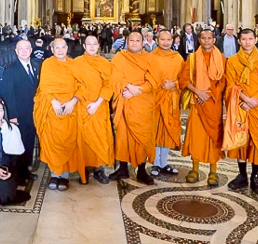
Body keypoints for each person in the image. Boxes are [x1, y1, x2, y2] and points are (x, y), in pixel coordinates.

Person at [225, 28, 258, 193]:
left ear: (256, 40)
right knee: (241, 141)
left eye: (250, 39)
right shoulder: (233, 60)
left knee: (257, 142)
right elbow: (231, 85)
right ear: (239, 41)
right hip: (240, 106)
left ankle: (255, 176)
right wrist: (246, 99)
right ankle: (242, 175)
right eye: (244, 39)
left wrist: (254, 100)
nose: (247, 42)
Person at [109, 31, 158, 184]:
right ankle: (122, 168)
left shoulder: (149, 59)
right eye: (132, 40)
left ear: (143, 42)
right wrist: (129, 87)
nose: (135, 43)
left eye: (138, 40)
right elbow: (114, 77)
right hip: (125, 99)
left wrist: (138, 90)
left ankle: (142, 170)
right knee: (123, 136)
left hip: (142, 102)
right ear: (126, 41)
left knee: (143, 136)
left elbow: (154, 80)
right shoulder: (119, 58)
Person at [35, 37, 83, 190]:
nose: (60, 50)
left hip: (70, 107)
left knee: (68, 140)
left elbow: (81, 86)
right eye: (57, 48)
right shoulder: (48, 64)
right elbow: (44, 86)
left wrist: (73, 101)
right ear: (52, 49)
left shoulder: (74, 65)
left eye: (63, 47)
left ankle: (65, 175)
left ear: (67, 49)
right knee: (53, 140)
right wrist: (52, 101)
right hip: (52, 107)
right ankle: (55, 174)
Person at [181, 28, 227, 185]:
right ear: (199, 40)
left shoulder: (222, 58)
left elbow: (224, 81)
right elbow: (183, 79)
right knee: (196, 138)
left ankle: (213, 171)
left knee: (213, 137)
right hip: (197, 103)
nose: (206, 40)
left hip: (213, 104)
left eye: (209, 38)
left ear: (214, 40)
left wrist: (208, 94)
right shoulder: (192, 58)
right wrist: (197, 91)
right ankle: (195, 168)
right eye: (203, 38)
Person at [72, 34, 114, 184]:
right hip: (81, 105)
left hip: (99, 105)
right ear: (84, 46)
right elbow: (73, 83)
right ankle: (82, 168)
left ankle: (98, 169)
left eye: (94, 44)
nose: (91, 47)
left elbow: (109, 85)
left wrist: (97, 103)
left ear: (98, 46)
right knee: (83, 137)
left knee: (100, 137)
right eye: (88, 44)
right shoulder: (76, 63)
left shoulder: (104, 63)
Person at [0, 39, 41, 182]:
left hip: (34, 112)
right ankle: (18, 173)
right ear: (16, 52)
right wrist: (13, 116)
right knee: (19, 143)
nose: (24, 51)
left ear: (31, 50)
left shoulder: (36, 66)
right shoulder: (10, 69)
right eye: (20, 49)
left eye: (27, 48)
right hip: (19, 114)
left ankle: (26, 169)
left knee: (29, 142)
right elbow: (8, 94)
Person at [150, 30, 184, 177]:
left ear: (172, 40)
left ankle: (164, 162)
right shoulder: (150, 57)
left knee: (169, 131)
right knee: (156, 130)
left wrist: (175, 84)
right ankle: (155, 163)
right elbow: (146, 78)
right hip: (156, 99)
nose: (165, 42)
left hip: (172, 99)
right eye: (162, 39)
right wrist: (160, 85)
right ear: (157, 41)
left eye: (168, 39)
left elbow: (184, 78)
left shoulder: (177, 58)